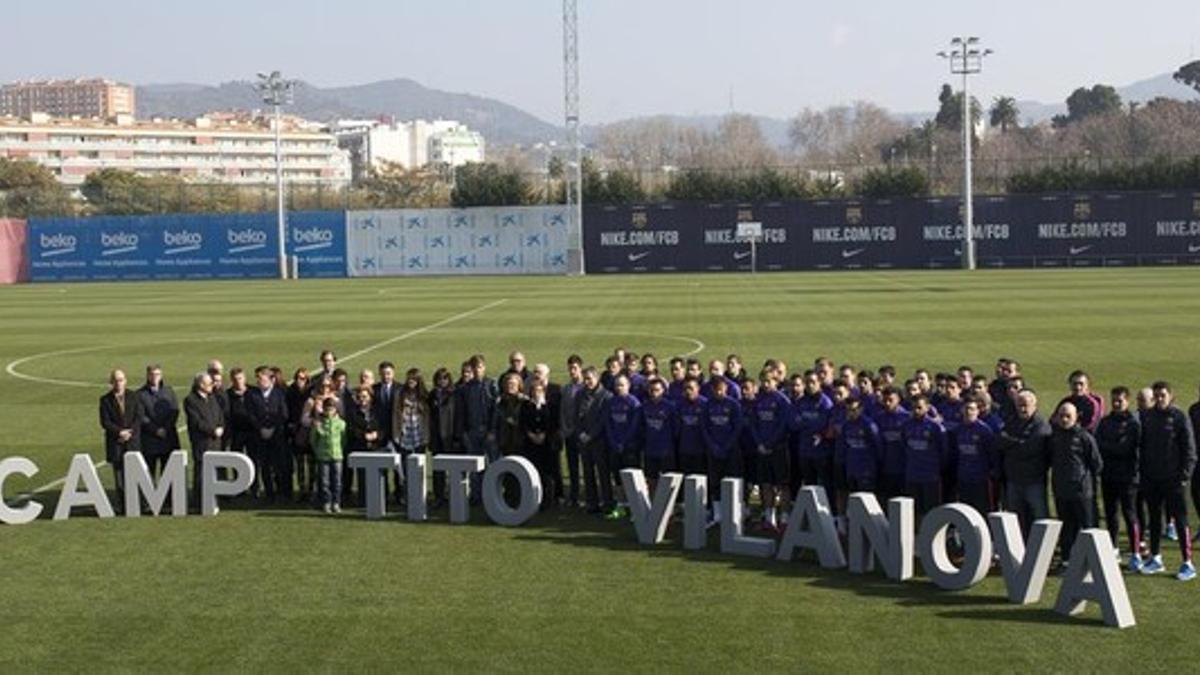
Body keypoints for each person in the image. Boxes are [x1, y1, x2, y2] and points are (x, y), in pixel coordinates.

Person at [1139, 381, 1198, 580]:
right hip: (1152, 478)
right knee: (1155, 520)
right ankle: (1156, 558)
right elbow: (1143, 446)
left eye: (1162, 395)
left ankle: (1187, 562)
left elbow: (1189, 449)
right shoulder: (1147, 416)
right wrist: (1145, 473)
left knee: (1181, 521)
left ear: (1170, 396)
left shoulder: (1179, 417)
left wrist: (1184, 476)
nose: (1159, 399)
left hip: (1174, 480)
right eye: (1156, 396)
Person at [1049, 401, 1103, 567]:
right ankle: (1066, 560)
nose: (1064, 420)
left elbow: (1096, 463)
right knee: (1066, 527)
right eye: (1061, 416)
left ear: (1076, 417)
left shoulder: (1085, 437)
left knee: (1088, 527)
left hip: (1082, 491)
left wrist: (1085, 481)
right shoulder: (1054, 437)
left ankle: (1093, 561)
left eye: (1068, 416)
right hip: (1061, 490)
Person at [1096, 386, 1143, 571]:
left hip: (1128, 476)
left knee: (1130, 514)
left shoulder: (1132, 423)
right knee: (1110, 514)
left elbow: (1124, 449)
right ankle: (1113, 548)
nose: (1116, 403)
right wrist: (1111, 446)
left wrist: (1108, 446)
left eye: (1120, 400)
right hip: (1108, 475)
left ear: (1127, 401)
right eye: (1114, 400)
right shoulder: (1105, 421)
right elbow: (1097, 443)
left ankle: (1135, 552)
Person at [996, 389, 1052, 537]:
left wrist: (1012, 443)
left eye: (1026, 405)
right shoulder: (1012, 421)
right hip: (1014, 480)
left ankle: (1045, 550)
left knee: (1040, 518)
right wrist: (1018, 442)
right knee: (1016, 519)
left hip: (1034, 481)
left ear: (1034, 405)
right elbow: (1000, 440)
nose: (1022, 408)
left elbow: (1029, 448)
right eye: (1019, 405)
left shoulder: (1041, 425)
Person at [748, 373, 789, 531]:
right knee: (765, 483)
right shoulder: (758, 400)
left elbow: (783, 426)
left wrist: (771, 443)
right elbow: (754, 423)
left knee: (782, 484)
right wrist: (759, 443)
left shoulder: (782, 401)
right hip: (762, 448)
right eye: (763, 381)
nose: (766, 384)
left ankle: (784, 518)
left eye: (769, 381)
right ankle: (769, 517)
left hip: (778, 449)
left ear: (776, 382)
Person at [456, 355, 497, 504]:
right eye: (474, 368)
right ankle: (476, 495)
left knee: (492, 464)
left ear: (484, 368)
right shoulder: (465, 388)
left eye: (479, 367)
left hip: (488, 432)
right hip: (472, 432)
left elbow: (495, 410)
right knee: (474, 466)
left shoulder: (491, 385)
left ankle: (492, 494)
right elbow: (461, 413)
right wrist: (464, 433)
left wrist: (492, 431)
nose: (477, 370)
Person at [99, 369, 141, 510]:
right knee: (119, 477)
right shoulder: (105, 400)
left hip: (132, 441)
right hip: (116, 443)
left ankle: (137, 503)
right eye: (116, 380)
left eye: (121, 379)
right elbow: (105, 422)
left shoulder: (134, 396)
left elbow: (138, 416)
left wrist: (130, 432)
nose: (119, 383)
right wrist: (120, 432)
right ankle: (122, 505)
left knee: (135, 474)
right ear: (111, 382)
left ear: (126, 380)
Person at [703, 375, 743, 525]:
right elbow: (704, 428)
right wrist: (712, 446)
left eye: (721, 389)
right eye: (716, 390)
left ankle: (734, 514)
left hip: (731, 450)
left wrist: (726, 446)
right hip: (713, 450)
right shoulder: (707, 405)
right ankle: (718, 514)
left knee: (733, 481)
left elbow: (737, 428)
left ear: (726, 388)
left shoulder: (733, 405)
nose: (719, 392)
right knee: (715, 482)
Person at [247, 365, 290, 503]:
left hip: (277, 435)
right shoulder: (251, 394)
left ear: (271, 379)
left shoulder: (279, 393)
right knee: (264, 465)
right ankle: (269, 493)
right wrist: (261, 428)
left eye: (261, 378)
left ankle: (282, 492)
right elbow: (251, 414)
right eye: (258, 378)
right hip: (260, 436)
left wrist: (273, 428)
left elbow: (283, 414)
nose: (258, 381)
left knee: (279, 465)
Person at [791, 370, 834, 507]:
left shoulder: (825, 402)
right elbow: (793, 423)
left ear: (819, 383)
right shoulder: (801, 402)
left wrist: (806, 424)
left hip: (821, 452)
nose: (810, 385)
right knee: (809, 484)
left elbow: (824, 424)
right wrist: (809, 425)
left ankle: (829, 513)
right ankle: (812, 513)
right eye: (807, 382)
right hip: (805, 450)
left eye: (813, 382)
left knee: (826, 485)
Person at [602, 374, 642, 519]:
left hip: (630, 447)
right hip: (615, 446)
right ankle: (621, 505)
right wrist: (613, 441)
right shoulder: (611, 402)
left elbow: (634, 426)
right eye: (617, 385)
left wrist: (623, 442)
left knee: (631, 478)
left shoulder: (634, 403)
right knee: (618, 478)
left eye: (622, 385)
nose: (619, 388)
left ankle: (635, 507)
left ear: (628, 386)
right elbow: (608, 424)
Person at [901, 394, 948, 518]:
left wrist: (937, 467)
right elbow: (904, 446)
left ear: (927, 408)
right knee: (914, 510)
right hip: (912, 474)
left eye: (919, 407)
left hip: (930, 476)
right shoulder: (906, 425)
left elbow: (943, 451)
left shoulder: (935, 427)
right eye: (914, 408)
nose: (916, 411)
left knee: (932, 511)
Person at [575, 366, 613, 515]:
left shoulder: (606, 396)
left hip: (599, 441)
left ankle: (608, 502)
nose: (587, 382)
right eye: (585, 379)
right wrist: (580, 434)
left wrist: (590, 435)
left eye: (589, 378)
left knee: (603, 473)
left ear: (597, 378)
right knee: (587, 472)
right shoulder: (580, 394)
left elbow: (603, 421)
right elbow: (576, 417)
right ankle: (592, 503)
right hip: (584, 441)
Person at [950, 397, 997, 517]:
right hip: (963, 477)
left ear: (978, 411)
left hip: (980, 479)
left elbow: (992, 454)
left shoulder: (984, 431)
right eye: (966, 409)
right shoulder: (958, 430)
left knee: (982, 511)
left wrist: (990, 472)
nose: (968, 412)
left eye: (972, 409)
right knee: (965, 511)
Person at [184, 372, 225, 507]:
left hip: (216, 441)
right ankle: (199, 501)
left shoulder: (212, 398)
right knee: (201, 472)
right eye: (209, 383)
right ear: (201, 385)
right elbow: (197, 422)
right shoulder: (191, 400)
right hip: (202, 442)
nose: (212, 386)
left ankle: (216, 498)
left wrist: (221, 427)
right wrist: (213, 431)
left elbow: (220, 415)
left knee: (215, 470)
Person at [136, 364, 180, 479]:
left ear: (161, 375)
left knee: (169, 475)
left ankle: (169, 497)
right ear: (147, 376)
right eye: (152, 374)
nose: (155, 377)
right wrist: (156, 430)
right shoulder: (140, 394)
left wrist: (166, 428)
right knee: (148, 475)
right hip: (150, 441)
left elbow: (174, 411)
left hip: (169, 438)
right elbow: (141, 416)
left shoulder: (169, 391)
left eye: (157, 374)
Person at [521, 378, 559, 508]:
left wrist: (544, 434)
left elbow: (553, 423)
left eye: (539, 390)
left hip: (546, 444)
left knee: (547, 472)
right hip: (531, 444)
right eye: (534, 391)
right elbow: (523, 422)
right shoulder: (526, 406)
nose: (536, 393)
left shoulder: (549, 406)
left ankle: (549, 499)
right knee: (534, 471)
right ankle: (535, 498)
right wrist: (531, 434)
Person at [428, 367, 459, 509]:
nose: (442, 381)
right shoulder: (432, 395)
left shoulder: (454, 394)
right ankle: (439, 496)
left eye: (445, 378)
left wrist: (457, 437)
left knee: (453, 469)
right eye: (440, 378)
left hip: (450, 436)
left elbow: (458, 416)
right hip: (436, 438)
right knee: (438, 470)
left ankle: (454, 496)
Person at [345, 386, 381, 506]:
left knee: (379, 475)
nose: (362, 399)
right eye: (359, 397)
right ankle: (363, 501)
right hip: (360, 446)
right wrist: (363, 435)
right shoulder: (353, 411)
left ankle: (379, 500)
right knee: (362, 476)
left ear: (370, 397)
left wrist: (377, 435)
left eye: (364, 396)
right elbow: (350, 428)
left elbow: (384, 426)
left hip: (376, 447)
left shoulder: (377, 411)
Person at [310, 396, 346, 514]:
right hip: (323, 456)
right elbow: (313, 440)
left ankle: (336, 502)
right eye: (327, 409)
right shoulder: (318, 424)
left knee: (337, 481)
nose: (329, 411)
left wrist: (340, 450)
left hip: (337, 456)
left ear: (336, 409)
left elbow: (344, 440)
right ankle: (326, 502)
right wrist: (318, 451)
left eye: (331, 409)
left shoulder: (341, 424)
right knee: (324, 481)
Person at [559, 355, 586, 507]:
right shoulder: (566, 389)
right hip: (569, 434)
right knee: (573, 467)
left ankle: (589, 496)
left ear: (580, 368)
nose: (572, 371)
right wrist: (565, 429)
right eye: (570, 368)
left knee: (587, 467)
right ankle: (574, 496)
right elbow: (563, 410)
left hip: (582, 435)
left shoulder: (586, 387)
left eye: (575, 368)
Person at [226, 368, 257, 496]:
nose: (238, 381)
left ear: (244, 378)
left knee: (253, 460)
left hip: (252, 432)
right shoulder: (228, 394)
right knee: (237, 461)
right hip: (236, 432)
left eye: (240, 378)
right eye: (235, 379)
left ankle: (255, 487)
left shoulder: (253, 392)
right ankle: (239, 488)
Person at [875, 387, 909, 502]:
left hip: (904, 468)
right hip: (886, 467)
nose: (887, 403)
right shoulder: (879, 418)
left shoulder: (907, 417)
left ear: (898, 399)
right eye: (885, 400)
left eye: (891, 400)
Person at [640, 377, 677, 485]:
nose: (654, 393)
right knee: (651, 479)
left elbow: (676, 428)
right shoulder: (644, 406)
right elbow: (641, 427)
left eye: (657, 390)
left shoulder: (670, 407)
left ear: (663, 391)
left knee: (668, 480)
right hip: (650, 449)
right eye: (651, 390)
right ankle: (652, 500)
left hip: (666, 450)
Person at [286, 368, 313, 502]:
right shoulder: (290, 391)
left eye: (302, 378)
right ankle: (303, 489)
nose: (299, 381)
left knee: (312, 462)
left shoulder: (311, 392)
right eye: (297, 378)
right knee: (300, 462)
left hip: (309, 430)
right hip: (296, 431)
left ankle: (312, 489)